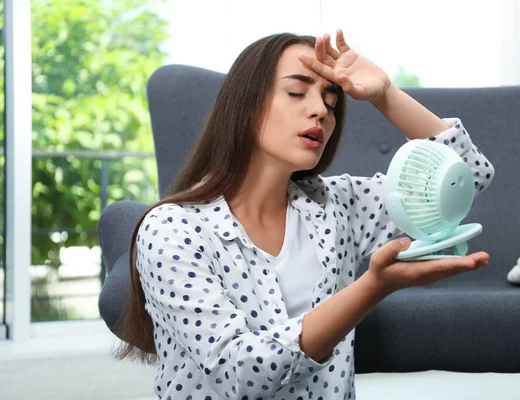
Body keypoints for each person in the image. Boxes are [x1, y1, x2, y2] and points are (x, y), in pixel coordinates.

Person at [117, 29, 494, 400]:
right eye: (297, 92)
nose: (320, 111)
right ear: (246, 105)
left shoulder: (338, 206)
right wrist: (373, 287)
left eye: (331, 103)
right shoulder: (173, 229)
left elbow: (464, 175)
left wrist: (386, 94)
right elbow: (238, 376)